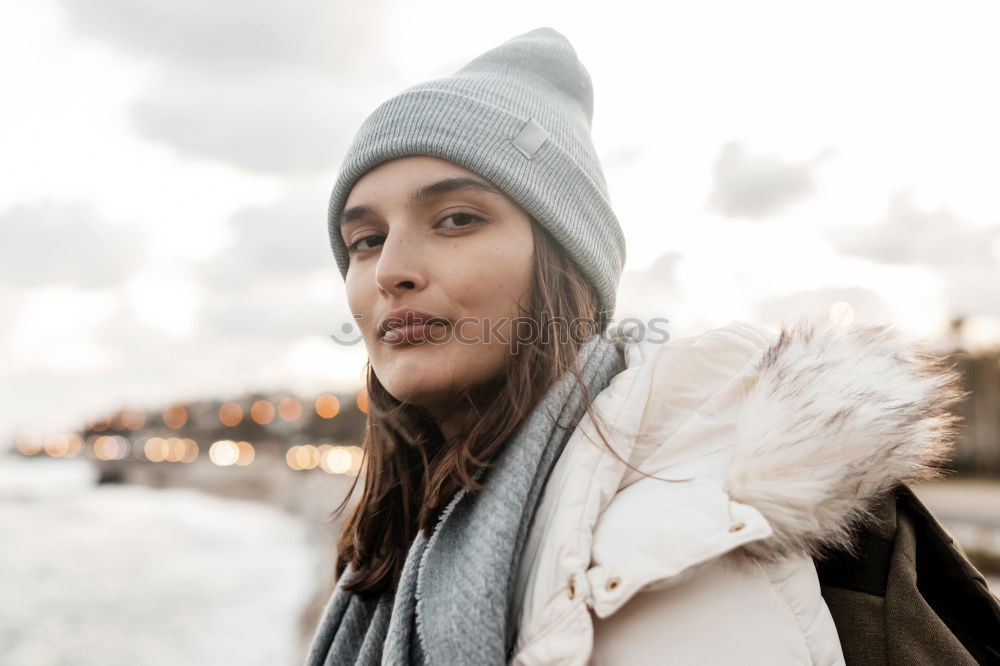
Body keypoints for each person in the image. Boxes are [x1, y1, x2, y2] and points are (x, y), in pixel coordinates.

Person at [305, 26, 1000, 665]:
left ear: (565, 264)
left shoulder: (685, 544)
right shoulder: (404, 540)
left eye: (456, 218)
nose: (392, 268)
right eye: (364, 239)